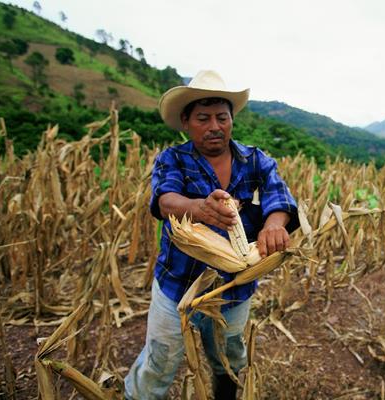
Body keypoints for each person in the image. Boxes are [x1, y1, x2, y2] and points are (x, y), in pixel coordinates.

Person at [124, 70, 299, 400]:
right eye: (203, 118)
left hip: (235, 287)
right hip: (177, 284)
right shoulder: (172, 159)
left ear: (232, 120)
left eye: (222, 117)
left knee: (228, 359)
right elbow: (165, 200)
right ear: (186, 122)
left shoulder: (255, 160)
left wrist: (274, 224)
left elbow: (279, 196)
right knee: (159, 362)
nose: (214, 126)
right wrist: (199, 208)